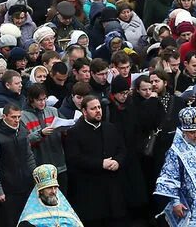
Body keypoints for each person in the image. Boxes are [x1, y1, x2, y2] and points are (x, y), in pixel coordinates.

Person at [63, 96, 126, 227]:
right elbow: (74, 158)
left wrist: (118, 161)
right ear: (84, 112)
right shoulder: (74, 132)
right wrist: (100, 163)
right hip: (90, 189)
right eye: (93, 108)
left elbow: (122, 150)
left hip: (112, 187)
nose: (98, 111)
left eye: (99, 107)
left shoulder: (110, 128)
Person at [154, 106, 196, 227]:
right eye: (192, 132)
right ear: (184, 132)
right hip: (190, 202)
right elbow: (169, 176)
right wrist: (175, 202)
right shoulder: (175, 151)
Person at [17, 164, 83, 227]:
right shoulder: (29, 221)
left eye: (55, 187)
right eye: (49, 188)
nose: (54, 191)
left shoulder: (68, 215)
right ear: (41, 191)